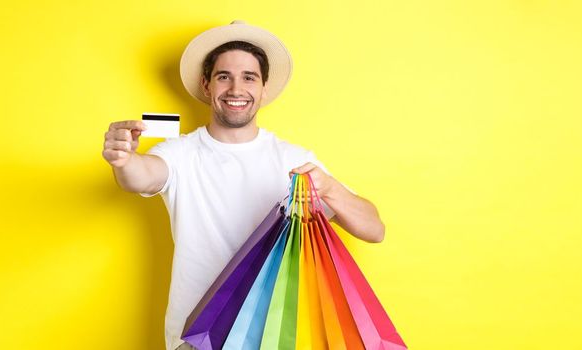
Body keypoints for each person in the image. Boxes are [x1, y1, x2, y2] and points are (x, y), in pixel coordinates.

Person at [102, 20, 386, 350]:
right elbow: (141, 175)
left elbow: (374, 229)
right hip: (195, 336)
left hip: (271, 335)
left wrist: (331, 189)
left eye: (248, 77)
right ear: (207, 85)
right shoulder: (179, 153)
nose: (236, 88)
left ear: (264, 88)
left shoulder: (292, 159)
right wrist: (123, 161)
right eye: (224, 76)